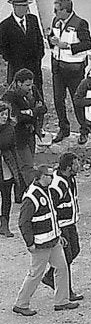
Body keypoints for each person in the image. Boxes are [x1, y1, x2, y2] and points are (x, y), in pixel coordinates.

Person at [13, 165, 79, 316]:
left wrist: (58, 234)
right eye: (49, 175)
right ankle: (21, 303)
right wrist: (29, 243)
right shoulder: (32, 196)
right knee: (35, 274)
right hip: (41, 243)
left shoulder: (46, 191)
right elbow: (24, 222)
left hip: (52, 240)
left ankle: (62, 300)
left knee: (62, 268)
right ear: (40, 177)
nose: (52, 177)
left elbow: (52, 215)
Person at [48, 0, 91, 144]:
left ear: (65, 10)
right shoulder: (56, 21)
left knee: (77, 100)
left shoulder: (80, 23)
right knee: (58, 99)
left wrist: (67, 46)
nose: (54, 13)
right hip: (58, 66)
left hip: (74, 69)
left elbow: (87, 44)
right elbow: (52, 37)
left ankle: (84, 129)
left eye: (57, 10)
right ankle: (63, 128)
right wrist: (52, 41)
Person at [42, 153, 83, 301]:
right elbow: (51, 207)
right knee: (65, 258)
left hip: (70, 223)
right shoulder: (58, 184)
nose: (78, 166)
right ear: (68, 167)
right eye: (75, 164)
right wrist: (57, 231)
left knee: (74, 251)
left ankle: (49, 277)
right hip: (62, 226)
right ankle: (67, 291)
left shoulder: (69, 179)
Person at [2, 68, 47, 187]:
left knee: (28, 163)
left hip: (31, 133)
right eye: (27, 85)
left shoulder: (33, 89)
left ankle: (22, 191)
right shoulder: (9, 97)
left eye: (31, 84)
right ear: (18, 83)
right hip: (17, 136)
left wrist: (29, 112)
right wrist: (34, 111)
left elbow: (44, 108)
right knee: (27, 166)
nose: (30, 88)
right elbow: (17, 117)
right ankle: (32, 190)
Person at [0, 0, 45, 95]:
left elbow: (39, 40)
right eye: (20, 6)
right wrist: (14, 60)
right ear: (14, 7)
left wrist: (39, 56)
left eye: (25, 6)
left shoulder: (33, 19)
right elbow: (3, 49)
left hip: (34, 67)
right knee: (18, 97)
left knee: (37, 94)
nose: (24, 9)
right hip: (17, 68)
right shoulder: (5, 26)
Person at [0, 101, 25, 237]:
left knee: (6, 197)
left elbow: (6, 144)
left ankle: (4, 225)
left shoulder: (9, 129)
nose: (4, 117)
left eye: (6, 114)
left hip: (6, 166)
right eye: (2, 114)